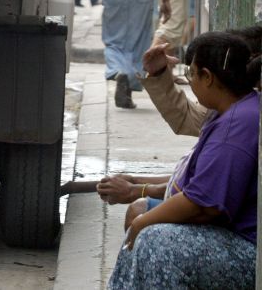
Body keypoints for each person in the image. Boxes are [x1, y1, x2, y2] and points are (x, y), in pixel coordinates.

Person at [107, 32, 259, 289]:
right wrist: (139, 192)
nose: (190, 82)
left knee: (156, 240)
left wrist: (143, 222)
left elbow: (204, 204)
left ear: (208, 78)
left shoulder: (236, 126)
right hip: (234, 233)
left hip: (249, 249)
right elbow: (197, 181)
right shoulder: (231, 111)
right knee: (144, 222)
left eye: (192, 75)